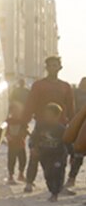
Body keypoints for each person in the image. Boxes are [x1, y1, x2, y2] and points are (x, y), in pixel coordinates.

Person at [24, 56, 75, 193]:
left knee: (62, 155)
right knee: (35, 152)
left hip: (61, 126)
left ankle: (60, 185)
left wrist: (73, 124)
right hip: (42, 124)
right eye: (50, 65)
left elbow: (70, 107)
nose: (53, 68)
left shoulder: (65, 86)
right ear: (46, 68)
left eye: (55, 65)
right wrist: (25, 122)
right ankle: (29, 182)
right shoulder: (39, 85)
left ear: (60, 67)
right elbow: (30, 104)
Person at [32, 103, 68, 202]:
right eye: (46, 115)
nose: (48, 118)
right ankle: (52, 189)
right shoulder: (40, 127)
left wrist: (73, 154)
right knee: (48, 174)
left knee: (57, 173)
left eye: (51, 115)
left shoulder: (61, 129)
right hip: (44, 155)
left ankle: (55, 193)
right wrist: (33, 148)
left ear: (57, 116)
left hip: (58, 155)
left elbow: (68, 142)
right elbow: (34, 138)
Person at [65, 78, 86, 193]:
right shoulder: (75, 93)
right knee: (77, 155)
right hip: (79, 126)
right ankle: (71, 178)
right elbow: (71, 107)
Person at [4, 102, 29, 185]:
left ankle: (21, 174)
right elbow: (5, 131)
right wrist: (8, 137)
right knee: (11, 159)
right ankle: (11, 175)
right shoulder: (8, 121)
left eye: (18, 111)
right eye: (14, 111)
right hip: (12, 144)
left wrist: (24, 136)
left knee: (23, 159)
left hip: (21, 143)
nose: (16, 113)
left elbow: (25, 131)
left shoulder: (22, 122)